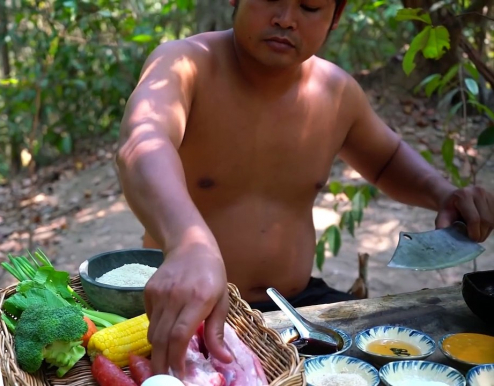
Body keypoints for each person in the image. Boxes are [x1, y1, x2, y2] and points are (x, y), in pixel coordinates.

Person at [113, 0, 494, 379]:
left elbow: (386, 159)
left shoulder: (336, 91)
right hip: (188, 311)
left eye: (310, 7)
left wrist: (443, 193)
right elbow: (143, 143)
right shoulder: (184, 64)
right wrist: (186, 242)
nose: (285, 20)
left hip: (301, 310)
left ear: (336, 16)